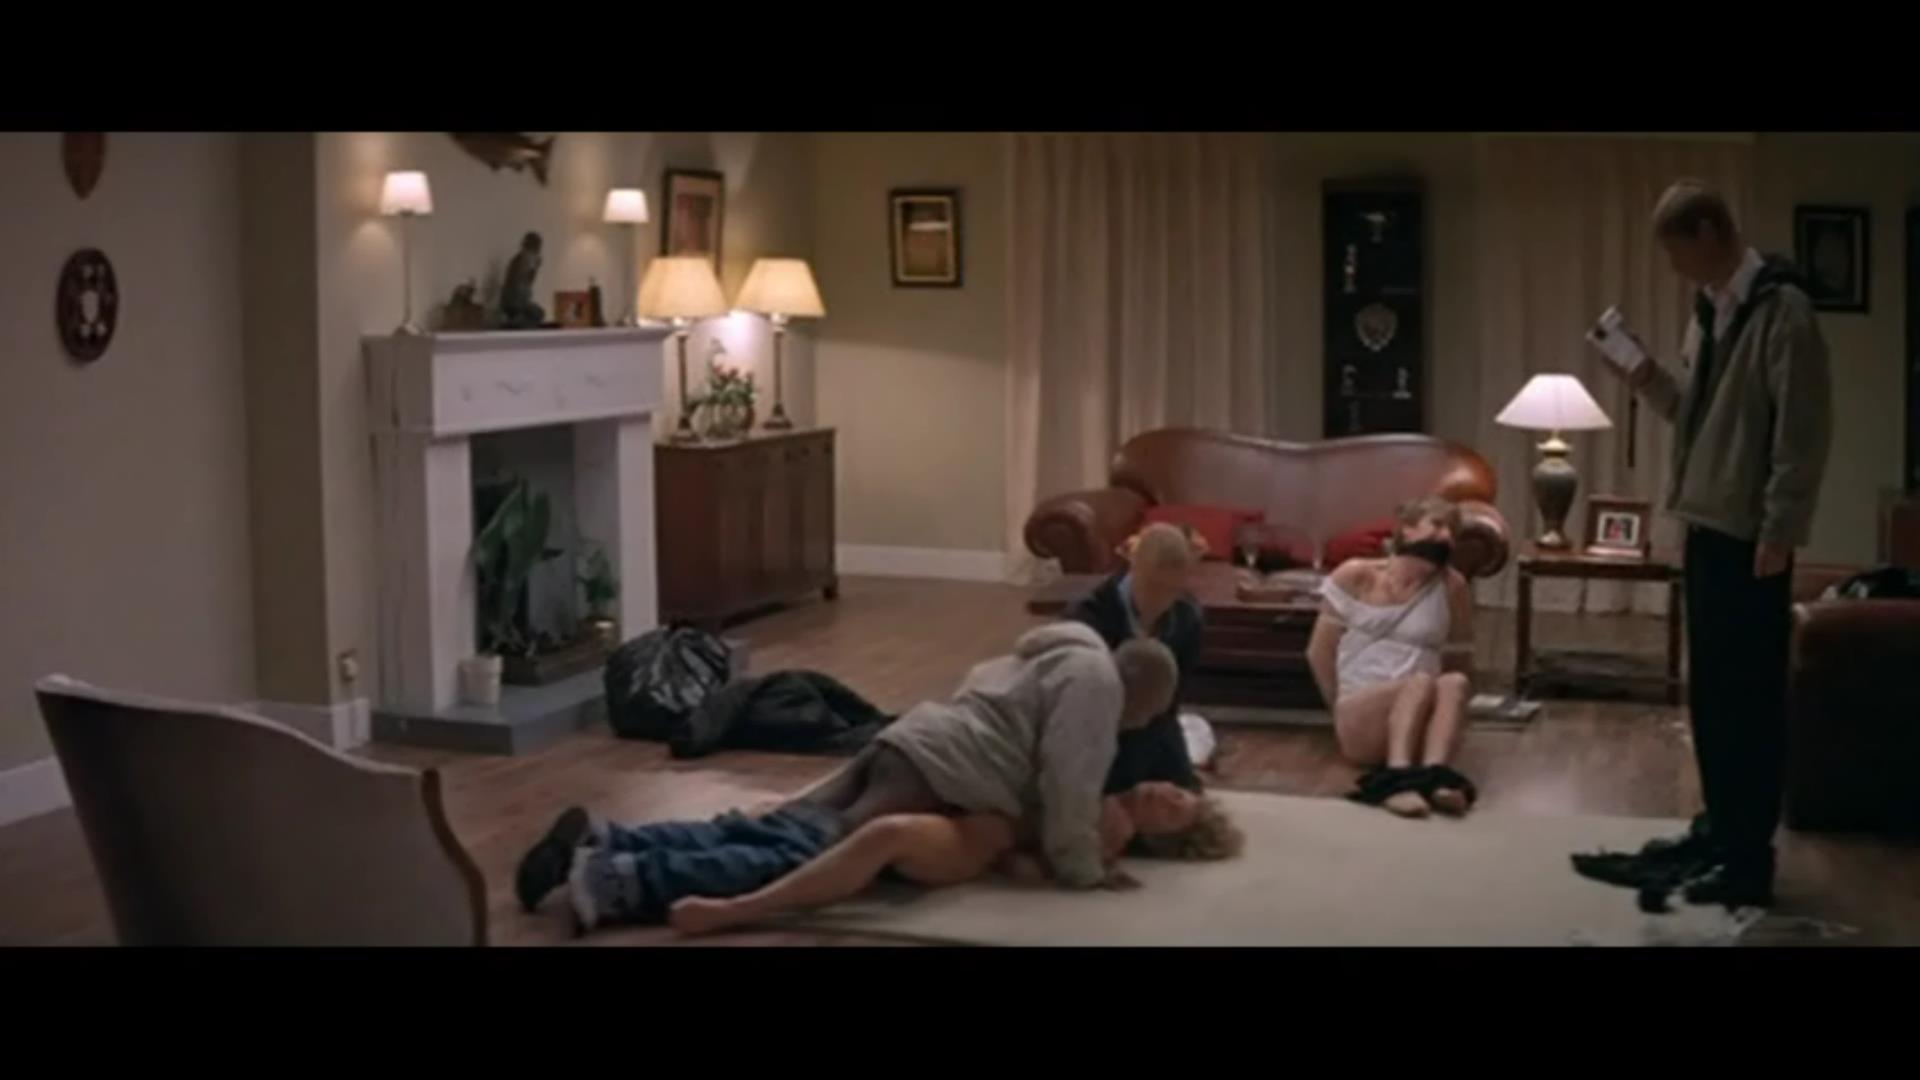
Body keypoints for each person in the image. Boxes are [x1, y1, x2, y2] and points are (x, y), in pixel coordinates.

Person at [516, 623, 1180, 930]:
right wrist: (1084, 871)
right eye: (1146, 717)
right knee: (810, 854)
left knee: (787, 824)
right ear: (1143, 697)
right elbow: (1069, 781)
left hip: (910, 737)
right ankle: (616, 880)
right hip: (940, 768)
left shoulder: (1057, 651)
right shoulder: (1098, 688)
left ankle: (615, 837)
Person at [1588, 180, 1831, 909]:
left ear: (1707, 233)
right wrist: (1643, 376)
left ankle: (1749, 857)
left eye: (1676, 252)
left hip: (1750, 536)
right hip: (1706, 524)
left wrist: (1780, 529)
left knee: (1750, 702)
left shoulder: (1783, 312)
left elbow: (1802, 430)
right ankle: (1721, 830)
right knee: (1715, 697)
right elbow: (1694, 414)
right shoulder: (1712, 311)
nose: (1674, 269)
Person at [665, 780, 1244, 937]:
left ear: (1159, 838)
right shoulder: (1105, 770)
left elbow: (1029, 867)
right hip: (956, 799)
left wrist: (1018, 855)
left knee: (884, 835)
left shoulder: (1110, 830)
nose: (1166, 795)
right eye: (1176, 790)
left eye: (1175, 809)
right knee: (806, 822)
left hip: (967, 839)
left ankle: (740, 909)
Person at [1305, 496, 1476, 818]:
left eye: (1453, 532)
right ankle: (1396, 782)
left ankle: (1435, 777)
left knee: (1454, 682)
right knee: (1419, 681)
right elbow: (1318, 652)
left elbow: (1459, 658)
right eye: (1438, 525)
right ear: (1407, 530)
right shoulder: (1356, 575)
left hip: (1421, 710)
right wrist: (1338, 707)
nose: (1446, 537)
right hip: (1362, 712)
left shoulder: (1453, 587)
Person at [1064, 521, 1206, 793]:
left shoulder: (1188, 619)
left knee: (1187, 797)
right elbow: (1078, 710)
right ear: (1134, 567)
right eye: (1153, 587)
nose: (1161, 600)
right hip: (1098, 728)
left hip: (1156, 725)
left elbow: (1170, 704)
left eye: (1172, 590)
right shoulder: (1089, 619)